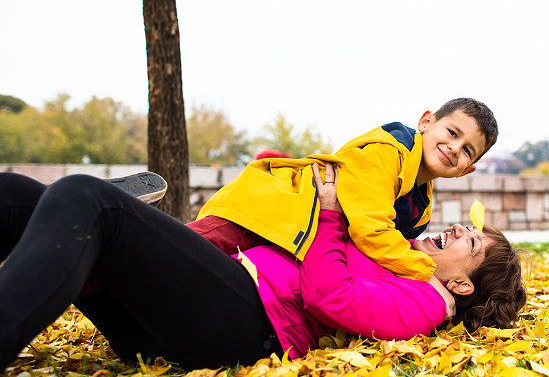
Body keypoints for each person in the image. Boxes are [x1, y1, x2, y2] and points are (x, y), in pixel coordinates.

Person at [0, 165, 526, 370]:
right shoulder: (403, 258)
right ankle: (99, 226)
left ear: (460, 282)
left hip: (245, 324)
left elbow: (331, 299)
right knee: (18, 194)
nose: (459, 229)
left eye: (471, 242)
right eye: (467, 226)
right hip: (198, 314)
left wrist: (330, 217)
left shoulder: (426, 301)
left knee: (89, 200)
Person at [188, 98, 498, 281]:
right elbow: (372, 231)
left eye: (468, 150)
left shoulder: (421, 205)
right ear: (426, 122)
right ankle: (141, 224)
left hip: (290, 240)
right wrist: (428, 272)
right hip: (265, 211)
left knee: (209, 277)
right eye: (452, 132)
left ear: (466, 171)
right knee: (189, 248)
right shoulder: (388, 153)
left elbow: (385, 253)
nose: (455, 147)